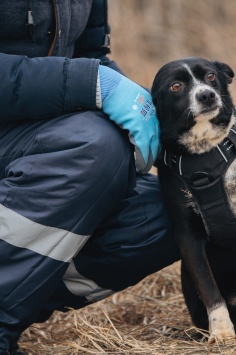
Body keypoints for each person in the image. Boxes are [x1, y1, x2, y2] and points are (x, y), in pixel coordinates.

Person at [0, 1, 180, 353]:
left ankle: (17, 302)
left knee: (173, 210)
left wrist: (164, 128)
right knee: (94, 146)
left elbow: (90, 54)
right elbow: (89, 77)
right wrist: (92, 82)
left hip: (31, 137)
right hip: (32, 141)